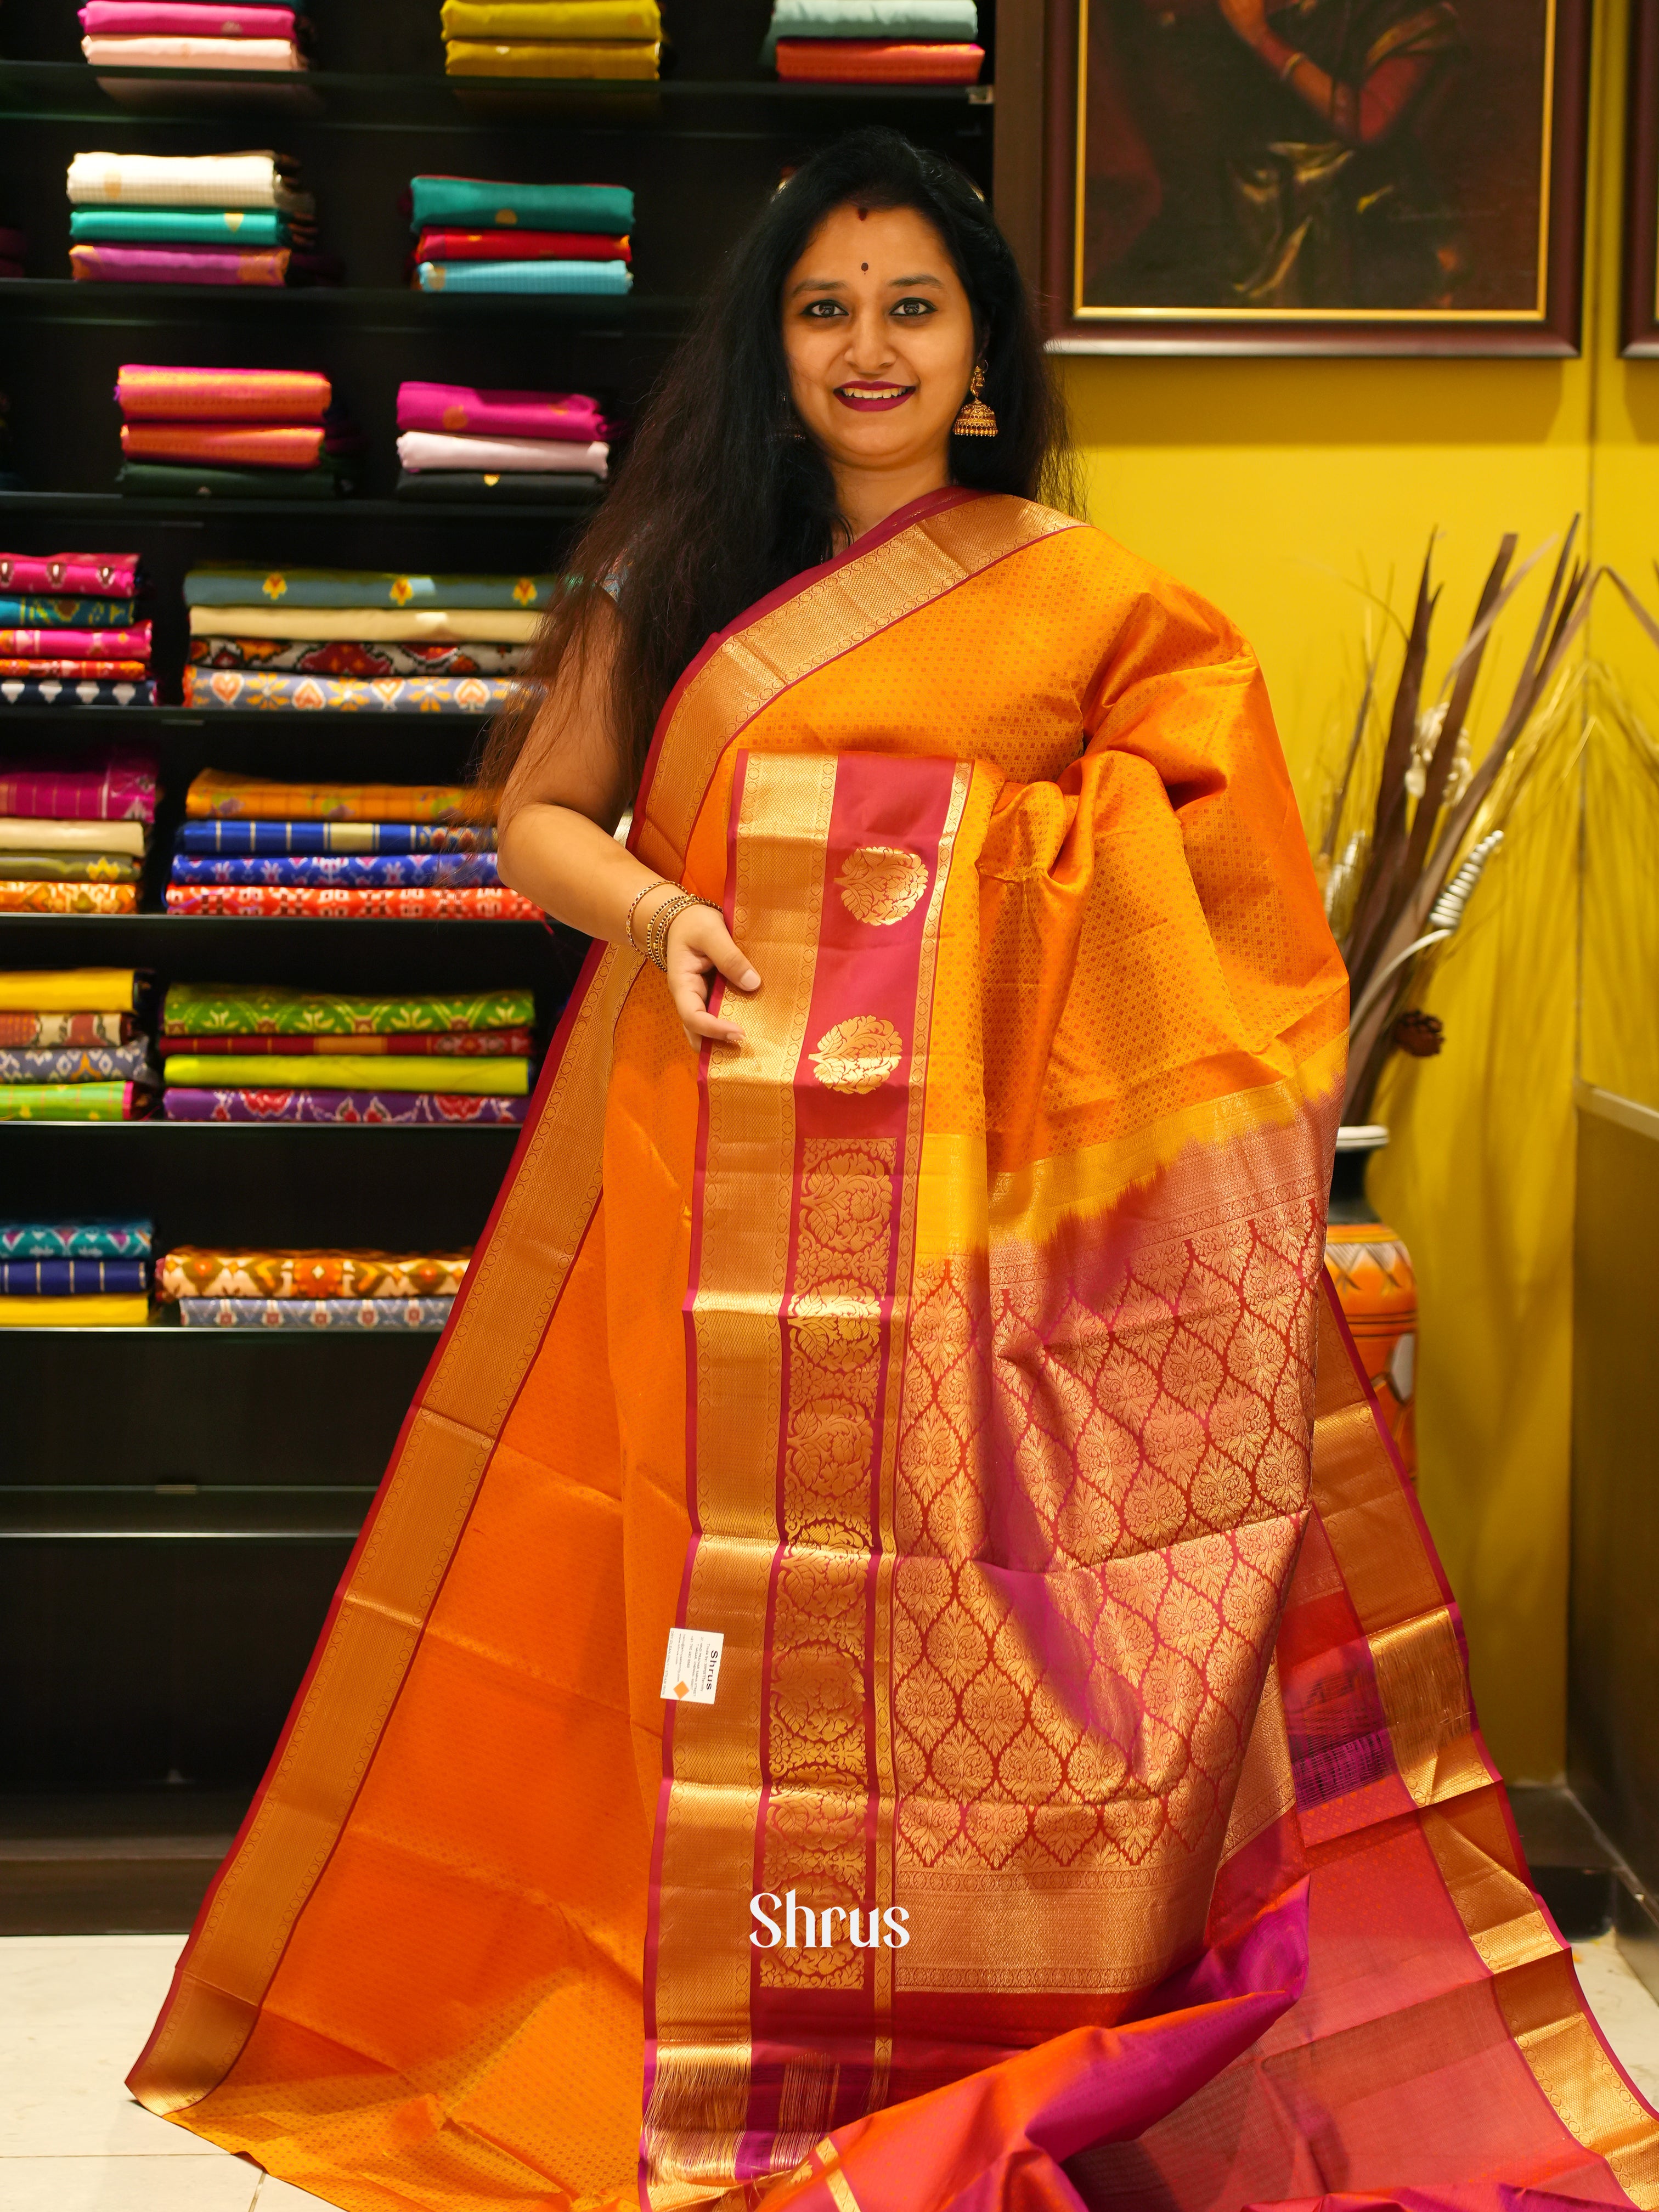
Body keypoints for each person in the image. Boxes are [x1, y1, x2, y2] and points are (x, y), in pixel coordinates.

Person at [129, 129, 1652, 2212]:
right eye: (822, 309)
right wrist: (665, 913)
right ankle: (703, 2013)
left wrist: (974, 899)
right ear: (771, 347)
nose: (866, 347)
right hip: (706, 1194)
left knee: (967, 1636)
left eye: (908, 307)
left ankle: (953, 2013)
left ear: (979, 351)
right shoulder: (671, 573)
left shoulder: (1091, 599)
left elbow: (1227, 916)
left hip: (987, 1259)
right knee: (688, 1608)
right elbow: (540, 826)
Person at [1085, 0, 1465, 312]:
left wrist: (1261, 38)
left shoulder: (1413, 14)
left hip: (1353, 210)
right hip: (1246, 199)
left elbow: (1368, 121)